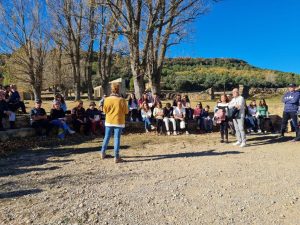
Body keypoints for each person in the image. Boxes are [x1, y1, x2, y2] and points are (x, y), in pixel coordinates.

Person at [100, 83, 129, 163]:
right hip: (118, 121)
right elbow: (126, 111)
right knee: (117, 138)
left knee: (106, 137)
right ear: (118, 89)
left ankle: (102, 153)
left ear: (111, 89)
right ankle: (116, 157)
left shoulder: (107, 99)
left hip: (109, 120)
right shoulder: (121, 100)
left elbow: (104, 111)